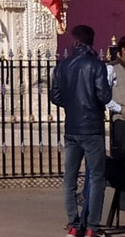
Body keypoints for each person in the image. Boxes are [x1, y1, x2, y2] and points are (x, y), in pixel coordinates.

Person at [51, 24, 113, 237]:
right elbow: (104, 96)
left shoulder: (63, 65)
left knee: (70, 176)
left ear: (76, 41)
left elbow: (55, 96)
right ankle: (92, 226)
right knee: (96, 176)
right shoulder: (96, 65)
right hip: (92, 127)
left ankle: (73, 223)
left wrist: (72, 105)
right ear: (91, 41)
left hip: (72, 127)